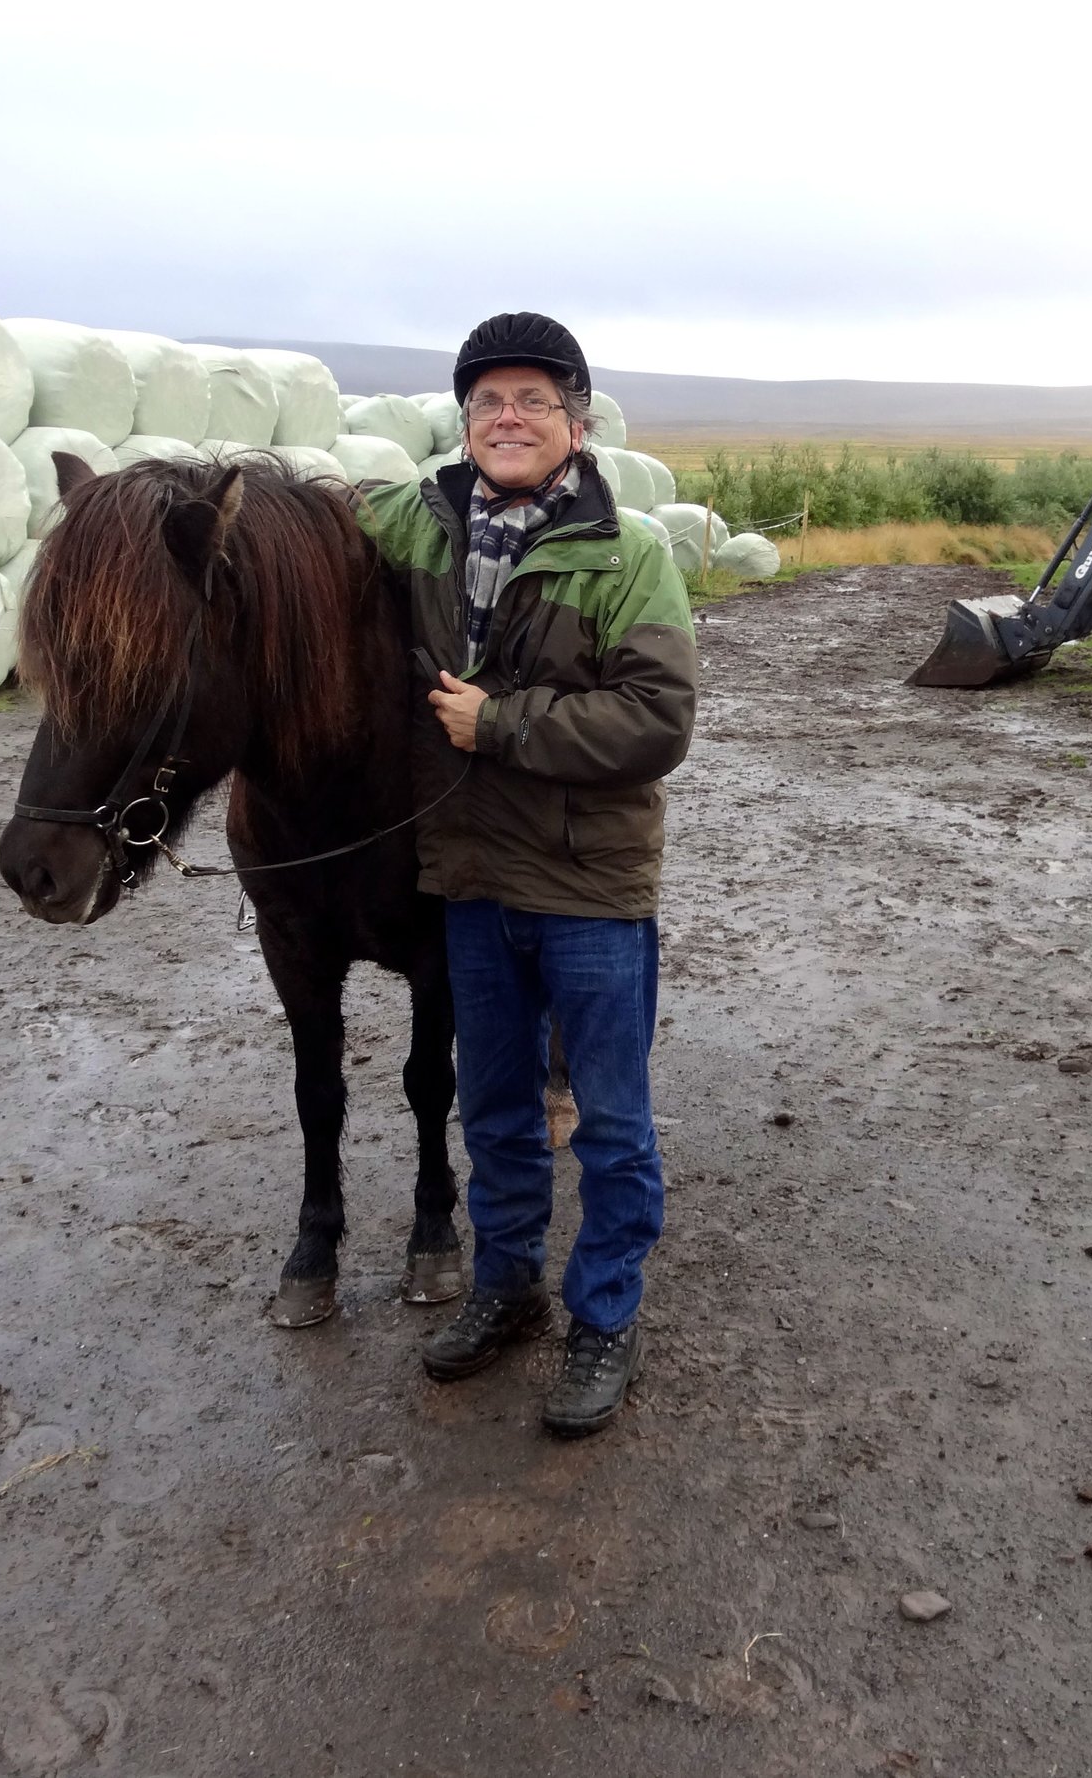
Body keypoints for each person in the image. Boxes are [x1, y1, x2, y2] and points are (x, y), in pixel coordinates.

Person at [355, 312, 696, 1437]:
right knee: (495, 1109)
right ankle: (506, 1285)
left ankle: (605, 1317)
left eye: (534, 400)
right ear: (463, 421)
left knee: (609, 1121)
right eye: (487, 400)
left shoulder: (625, 552)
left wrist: (499, 722)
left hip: (590, 887)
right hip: (470, 881)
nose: (508, 416)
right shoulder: (419, 524)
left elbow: (655, 721)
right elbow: (314, 542)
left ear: (575, 422)